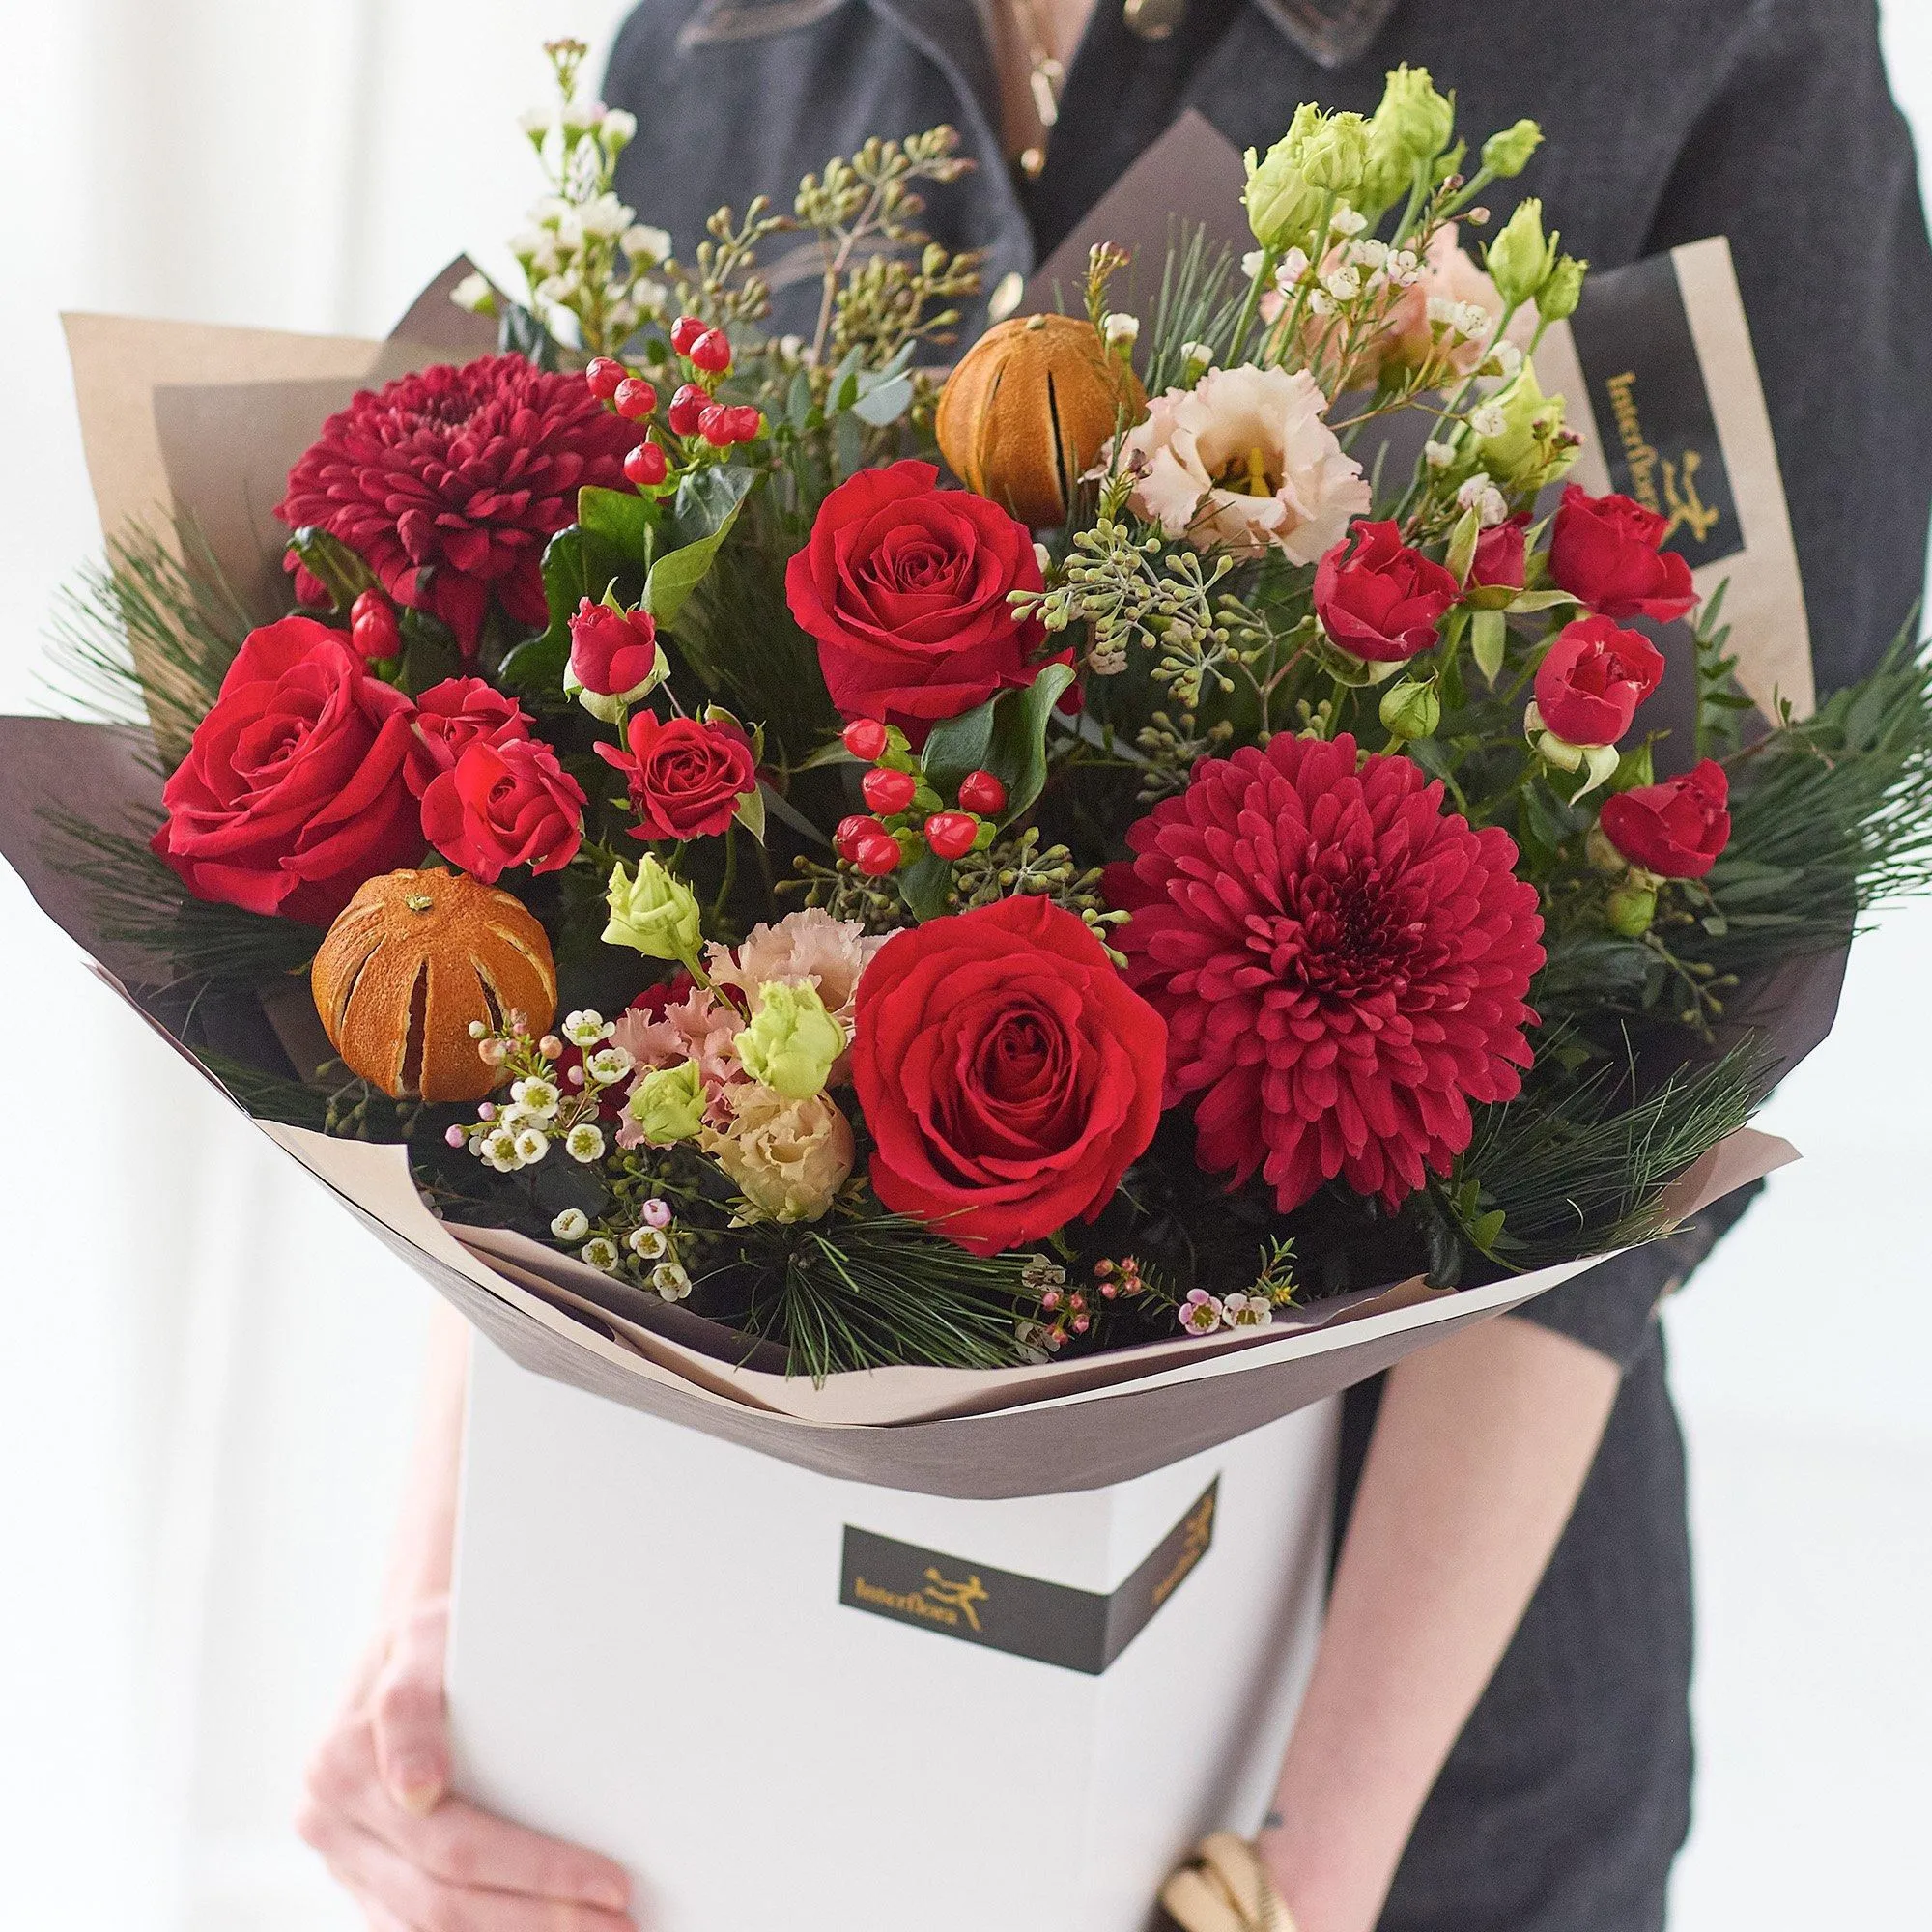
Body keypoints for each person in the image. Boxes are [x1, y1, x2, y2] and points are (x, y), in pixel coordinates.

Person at [297, 3, 1932, 1927]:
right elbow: (536, 914)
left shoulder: (1690, 36)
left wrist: (1293, 1869)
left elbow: (1683, 1027)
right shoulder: (733, 38)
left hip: (1390, 1724)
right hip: (712, 1697)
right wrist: (436, 1637)